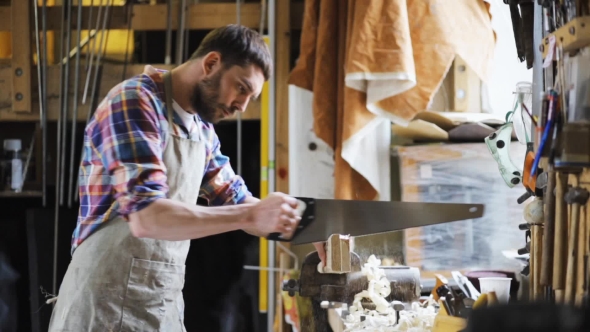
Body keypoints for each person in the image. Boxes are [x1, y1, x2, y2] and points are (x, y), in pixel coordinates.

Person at [47, 24, 315, 331]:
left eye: (250, 97)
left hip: (161, 304)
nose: (242, 106)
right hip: (103, 302)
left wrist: (310, 225)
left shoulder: (201, 130)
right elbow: (147, 217)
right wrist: (252, 213)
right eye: (241, 87)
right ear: (211, 63)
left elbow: (237, 198)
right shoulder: (135, 102)